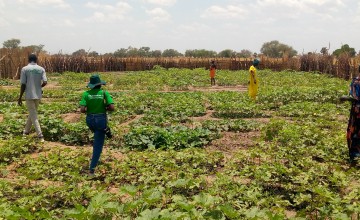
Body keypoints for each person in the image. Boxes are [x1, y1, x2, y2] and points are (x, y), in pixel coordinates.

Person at [79, 74, 115, 177]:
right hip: (100, 120)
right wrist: (104, 108)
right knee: (98, 145)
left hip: (90, 120)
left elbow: (82, 110)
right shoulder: (104, 93)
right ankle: (92, 170)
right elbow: (112, 107)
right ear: (100, 84)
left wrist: (90, 108)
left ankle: (96, 158)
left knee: (97, 135)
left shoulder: (86, 94)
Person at [18, 54, 47, 142]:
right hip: (38, 95)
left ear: (28, 60)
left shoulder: (25, 69)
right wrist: (40, 87)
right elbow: (45, 82)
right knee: (32, 114)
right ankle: (25, 132)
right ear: (36, 60)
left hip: (29, 95)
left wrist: (20, 97)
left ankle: (40, 136)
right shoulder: (41, 69)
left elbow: (23, 84)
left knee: (34, 116)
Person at [346, 65, 360, 162]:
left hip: (356, 111)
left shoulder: (355, 81)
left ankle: (354, 155)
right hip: (357, 111)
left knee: (354, 131)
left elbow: (353, 96)